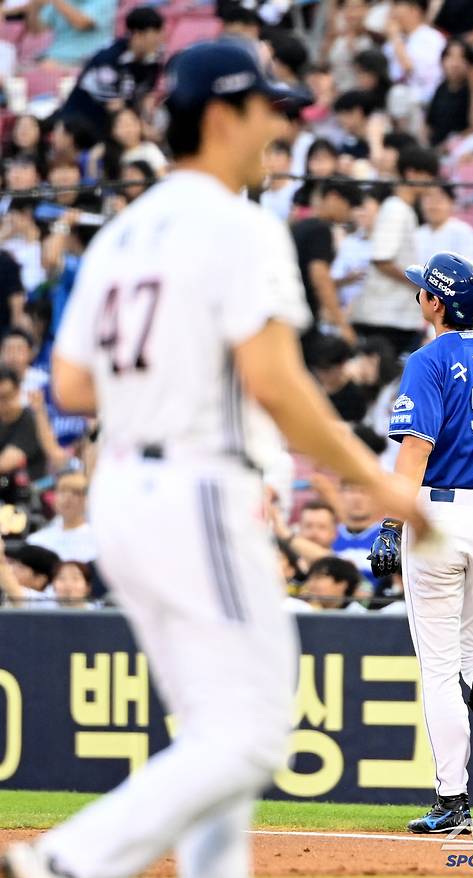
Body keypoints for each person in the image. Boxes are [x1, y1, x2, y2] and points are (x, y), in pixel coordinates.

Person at [4, 36, 432, 878]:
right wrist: (376, 478)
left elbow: (73, 384)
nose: (280, 126)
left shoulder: (125, 232)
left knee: (214, 734)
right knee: (253, 732)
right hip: (197, 484)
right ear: (222, 114)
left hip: (125, 488)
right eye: (267, 109)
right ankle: (68, 860)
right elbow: (275, 382)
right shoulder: (238, 226)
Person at [370, 251, 473, 833]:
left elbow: (415, 450)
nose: (420, 295)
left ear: (435, 302)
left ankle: (453, 802)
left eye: (424, 290)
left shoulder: (426, 360)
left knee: (441, 669)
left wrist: (392, 525)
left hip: (439, 515)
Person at [351, 146, 438, 356]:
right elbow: (382, 260)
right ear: (411, 173)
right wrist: (421, 284)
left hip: (395, 317)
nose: (432, 181)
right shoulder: (396, 209)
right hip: (384, 318)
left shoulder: (401, 209)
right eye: (427, 174)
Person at [58, 5, 165, 140]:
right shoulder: (108, 60)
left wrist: (149, 120)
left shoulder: (154, 58)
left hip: (119, 124)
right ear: (137, 34)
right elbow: (114, 107)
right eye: (154, 34)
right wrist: (143, 129)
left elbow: (146, 95)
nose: (159, 39)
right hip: (83, 124)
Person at [292, 177, 362, 348]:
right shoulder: (320, 230)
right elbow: (319, 277)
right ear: (333, 197)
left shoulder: (301, 226)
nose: (350, 213)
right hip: (301, 318)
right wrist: (343, 325)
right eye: (349, 205)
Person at [384, 0, 446, 108]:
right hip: (399, 102)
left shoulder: (431, 38)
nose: (393, 13)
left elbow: (410, 69)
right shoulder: (396, 40)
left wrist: (395, 37)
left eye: (398, 6)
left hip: (425, 102)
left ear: (414, 10)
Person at [26, 0, 119, 69]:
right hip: (53, 58)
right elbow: (36, 30)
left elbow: (82, 23)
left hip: (91, 61)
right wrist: (35, 5)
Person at [425, 38, 473, 149]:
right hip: (435, 148)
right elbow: (428, 124)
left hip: (461, 148)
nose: (455, 64)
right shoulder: (441, 88)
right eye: (450, 57)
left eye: (461, 58)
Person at [28, 470, 96, 561]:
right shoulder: (36, 541)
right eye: (62, 492)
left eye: (76, 493)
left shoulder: (98, 539)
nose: (68, 498)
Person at [415, 182, 473, 265]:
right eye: (429, 199)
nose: (434, 205)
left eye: (439, 200)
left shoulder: (463, 231)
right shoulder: (417, 233)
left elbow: (469, 267)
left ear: (451, 203)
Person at [298, 555, 363, 611]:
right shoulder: (303, 610)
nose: (310, 584)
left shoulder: (360, 616)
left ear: (342, 584)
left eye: (319, 578)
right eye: (309, 579)